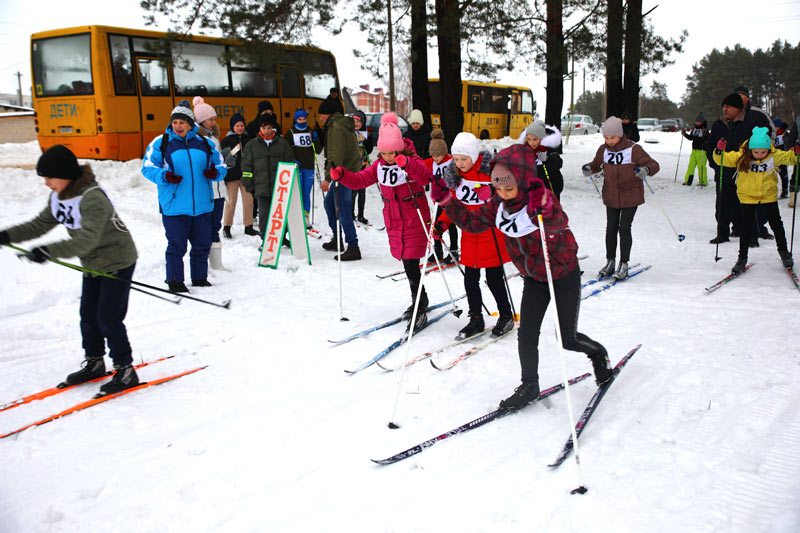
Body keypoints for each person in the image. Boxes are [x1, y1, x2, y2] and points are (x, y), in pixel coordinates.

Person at [439, 144, 611, 410]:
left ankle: (598, 354)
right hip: (533, 278)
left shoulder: (541, 199)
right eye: (498, 188)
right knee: (527, 334)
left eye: (509, 188)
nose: (503, 194)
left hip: (562, 274)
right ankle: (529, 385)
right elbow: (473, 223)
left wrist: (544, 208)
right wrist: (448, 203)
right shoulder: (497, 203)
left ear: (522, 180)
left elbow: (558, 221)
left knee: (568, 339)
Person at [0, 145, 140, 396]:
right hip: (93, 263)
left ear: (65, 174)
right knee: (88, 315)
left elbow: (87, 240)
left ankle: (126, 369)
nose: (46, 183)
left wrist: (48, 251)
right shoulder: (61, 197)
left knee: (108, 318)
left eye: (49, 177)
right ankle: (95, 362)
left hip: (117, 261)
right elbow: (39, 224)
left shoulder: (93, 198)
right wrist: (7, 235)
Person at [329, 112, 434, 330]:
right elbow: (359, 181)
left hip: (414, 218)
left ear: (400, 148)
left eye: (391, 152)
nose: (387, 157)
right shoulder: (379, 166)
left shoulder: (410, 159)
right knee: (408, 263)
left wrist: (408, 165)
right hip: (395, 221)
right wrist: (342, 175)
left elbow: (426, 178)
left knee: (411, 262)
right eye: (383, 152)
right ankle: (420, 299)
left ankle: (419, 307)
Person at [142, 100, 227, 292]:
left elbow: (221, 165)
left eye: (182, 122)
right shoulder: (161, 143)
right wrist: (164, 176)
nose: (178, 126)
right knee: (176, 246)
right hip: (174, 206)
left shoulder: (205, 143)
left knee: (202, 245)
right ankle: (175, 281)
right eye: (175, 122)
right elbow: (147, 168)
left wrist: (216, 173)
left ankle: (199, 278)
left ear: (191, 124)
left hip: (202, 204)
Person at [436, 132, 514, 339]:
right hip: (470, 235)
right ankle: (476, 318)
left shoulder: (493, 171)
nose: (460, 163)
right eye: (456, 159)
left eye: (464, 159)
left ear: (473, 155)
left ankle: (505, 315)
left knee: (494, 278)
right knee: (470, 279)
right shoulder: (456, 178)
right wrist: (441, 224)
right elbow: (453, 207)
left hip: (492, 235)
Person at [582, 116, 660, 281]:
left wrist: (646, 169)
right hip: (611, 194)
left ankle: (624, 263)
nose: (609, 141)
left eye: (612, 137)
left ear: (621, 134)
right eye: (606, 137)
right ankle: (610, 261)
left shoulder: (633, 149)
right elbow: (597, 164)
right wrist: (590, 168)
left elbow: (654, 165)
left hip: (630, 195)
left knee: (624, 228)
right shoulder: (604, 149)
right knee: (610, 228)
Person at [713, 127, 796, 274]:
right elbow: (723, 159)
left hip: (768, 194)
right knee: (746, 226)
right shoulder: (742, 156)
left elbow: (790, 158)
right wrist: (719, 151)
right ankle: (742, 258)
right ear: (750, 149)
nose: (759, 155)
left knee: (776, 223)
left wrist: (796, 152)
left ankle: (784, 252)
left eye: (763, 152)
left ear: (768, 150)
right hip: (747, 195)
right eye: (756, 152)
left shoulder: (774, 156)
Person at [241, 114, 296, 246]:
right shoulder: (252, 145)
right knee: (264, 217)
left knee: (281, 215)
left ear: (273, 128)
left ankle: (282, 237)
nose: (266, 131)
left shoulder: (282, 144)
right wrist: (249, 185)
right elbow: (247, 166)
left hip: (280, 187)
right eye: (264, 127)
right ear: (260, 128)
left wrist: (290, 180)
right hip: (261, 187)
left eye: (269, 127)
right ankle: (266, 240)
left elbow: (290, 162)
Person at [318, 98, 362, 261]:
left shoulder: (336, 127)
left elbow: (335, 155)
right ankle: (338, 239)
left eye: (321, 114)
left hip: (343, 174)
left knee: (343, 209)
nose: (320, 118)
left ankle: (353, 246)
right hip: (345, 172)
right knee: (329, 204)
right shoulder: (339, 124)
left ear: (328, 114)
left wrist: (328, 178)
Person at [193, 96, 229, 270]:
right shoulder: (199, 139)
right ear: (200, 121)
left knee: (216, 225)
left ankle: (216, 263)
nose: (214, 122)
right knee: (206, 227)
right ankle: (205, 263)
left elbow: (219, 160)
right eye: (210, 119)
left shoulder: (214, 137)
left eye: (214, 119)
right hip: (208, 190)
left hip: (219, 189)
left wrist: (226, 160)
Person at [423, 128, 459, 264]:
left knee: (450, 225)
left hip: (450, 201)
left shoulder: (451, 162)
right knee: (435, 225)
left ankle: (454, 251)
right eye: (433, 155)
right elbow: (418, 166)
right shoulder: (431, 162)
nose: (436, 158)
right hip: (437, 201)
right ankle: (437, 251)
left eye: (438, 155)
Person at [220, 113, 258, 238]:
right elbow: (223, 158)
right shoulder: (227, 140)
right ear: (232, 127)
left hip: (246, 176)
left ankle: (249, 226)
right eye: (237, 125)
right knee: (231, 201)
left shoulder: (249, 140)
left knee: (249, 201)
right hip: (232, 177)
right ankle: (227, 226)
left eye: (242, 125)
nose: (240, 128)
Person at [286, 109, 322, 224]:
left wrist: (316, 139)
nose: (302, 121)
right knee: (298, 192)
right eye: (299, 119)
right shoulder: (290, 132)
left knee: (306, 192)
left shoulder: (310, 131)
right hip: (297, 167)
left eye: (304, 119)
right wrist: (292, 160)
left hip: (309, 167)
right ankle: (296, 216)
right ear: (295, 120)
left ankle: (306, 216)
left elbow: (319, 151)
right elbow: (286, 150)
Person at [518, 120, 564, 200]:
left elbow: (558, 163)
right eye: (529, 139)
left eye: (535, 139)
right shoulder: (524, 150)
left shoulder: (549, 148)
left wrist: (547, 159)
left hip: (549, 189)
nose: (531, 143)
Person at [351, 110, 372, 224]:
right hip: (353, 165)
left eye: (358, 121)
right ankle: (351, 214)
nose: (356, 124)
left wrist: (365, 141)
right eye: (354, 121)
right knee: (353, 190)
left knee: (362, 190)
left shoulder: (366, 133)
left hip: (363, 164)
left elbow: (370, 149)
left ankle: (361, 215)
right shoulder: (349, 132)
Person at [681, 113, 709, 186]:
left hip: (702, 151)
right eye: (696, 121)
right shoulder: (694, 129)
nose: (697, 123)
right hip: (694, 151)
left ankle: (703, 181)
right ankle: (688, 181)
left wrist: (704, 138)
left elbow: (708, 139)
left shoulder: (705, 130)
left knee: (701, 167)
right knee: (691, 166)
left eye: (699, 121)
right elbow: (691, 138)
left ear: (702, 121)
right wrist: (684, 134)